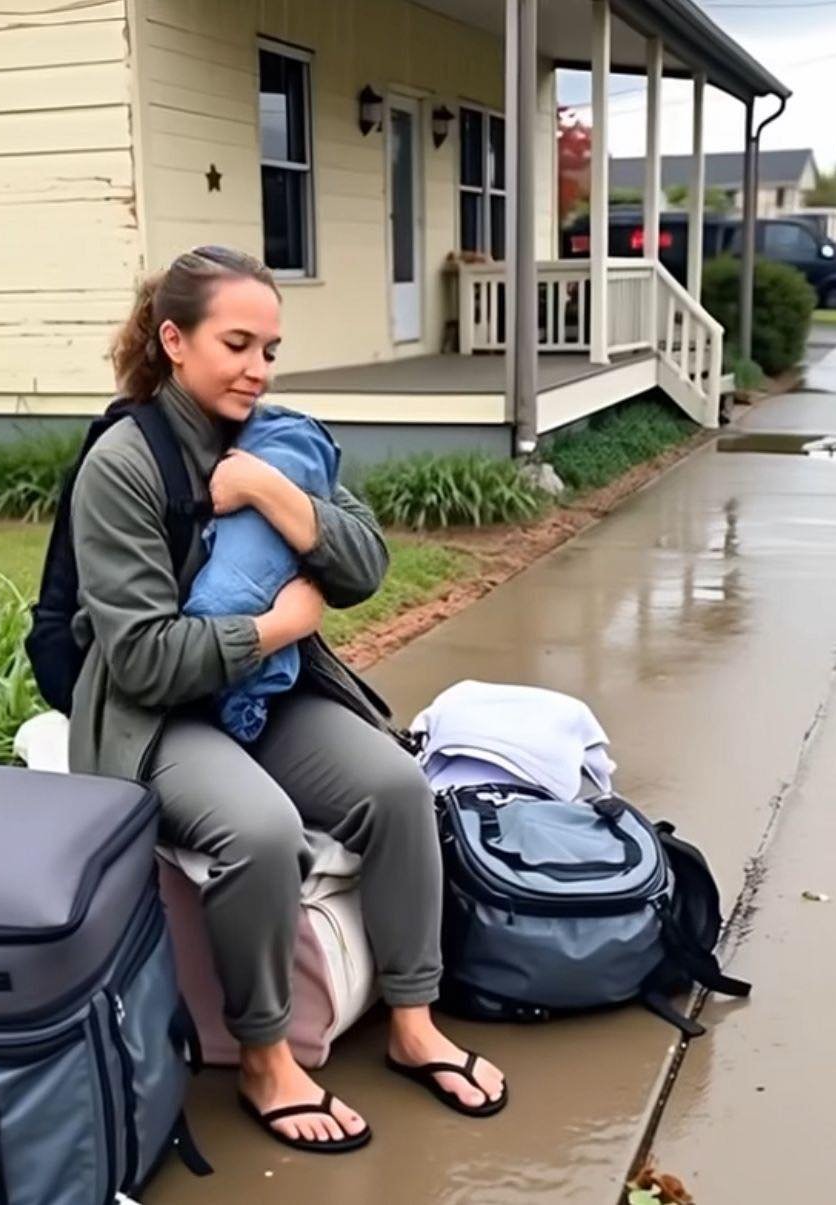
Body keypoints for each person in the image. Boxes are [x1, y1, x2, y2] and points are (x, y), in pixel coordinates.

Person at [68, 245, 507, 1153]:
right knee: (258, 830)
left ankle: (413, 1021)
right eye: (237, 344)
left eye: (270, 347)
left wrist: (269, 488)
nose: (257, 369)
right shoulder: (123, 463)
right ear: (174, 340)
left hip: (261, 699)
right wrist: (274, 626)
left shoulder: (272, 439)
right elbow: (144, 660)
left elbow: (364, 565)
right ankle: (265, 1054)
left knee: (393, 785)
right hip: (154, 716)